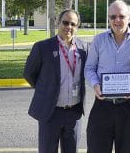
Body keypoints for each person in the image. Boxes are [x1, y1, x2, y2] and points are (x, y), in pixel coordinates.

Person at [84, 0, 130, 153]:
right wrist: (95, 84)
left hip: (129, 107)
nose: (117, 20)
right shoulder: (99, 40)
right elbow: (89, 68)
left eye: (121, 16)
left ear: (129, 17)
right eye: (112, 17)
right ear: (108, 19)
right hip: (102, 106)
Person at [23, 9, 88, 153]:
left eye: (73, 24)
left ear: (77, 27)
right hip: (50, 112)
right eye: (65, 22)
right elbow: (29, 74)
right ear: (58, 22)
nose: (68, 27)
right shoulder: (42, 47)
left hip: (74, 113)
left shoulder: (84, 48)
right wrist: (46, 89)